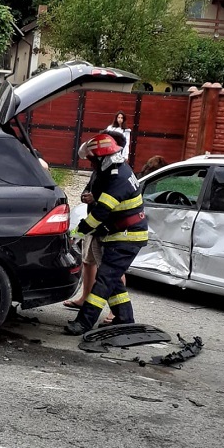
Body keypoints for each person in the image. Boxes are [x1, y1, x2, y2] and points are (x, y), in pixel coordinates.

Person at [64, 131, 148, 335]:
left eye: (92, 160)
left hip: (127, 237)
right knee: (112, 280)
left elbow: (101, 212)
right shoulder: (114, 170)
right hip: (122, 234)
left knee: (104, 281)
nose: (91, 164)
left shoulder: (118, 176)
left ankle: (83, 322)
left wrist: (78, 231)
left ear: (101, 157)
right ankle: (125, 319)